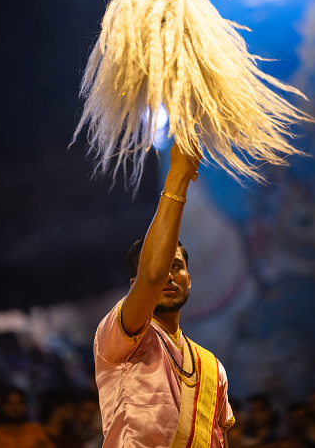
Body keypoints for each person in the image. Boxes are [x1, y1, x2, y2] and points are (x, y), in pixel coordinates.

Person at [94, 141, 235, 447]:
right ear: (135, 287)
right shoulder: (119, 335)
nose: (168, 276)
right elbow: (153, 276)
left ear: (190, 277)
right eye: (163, 268)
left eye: (178, 266)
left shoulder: (211, 365)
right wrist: (178, 175)